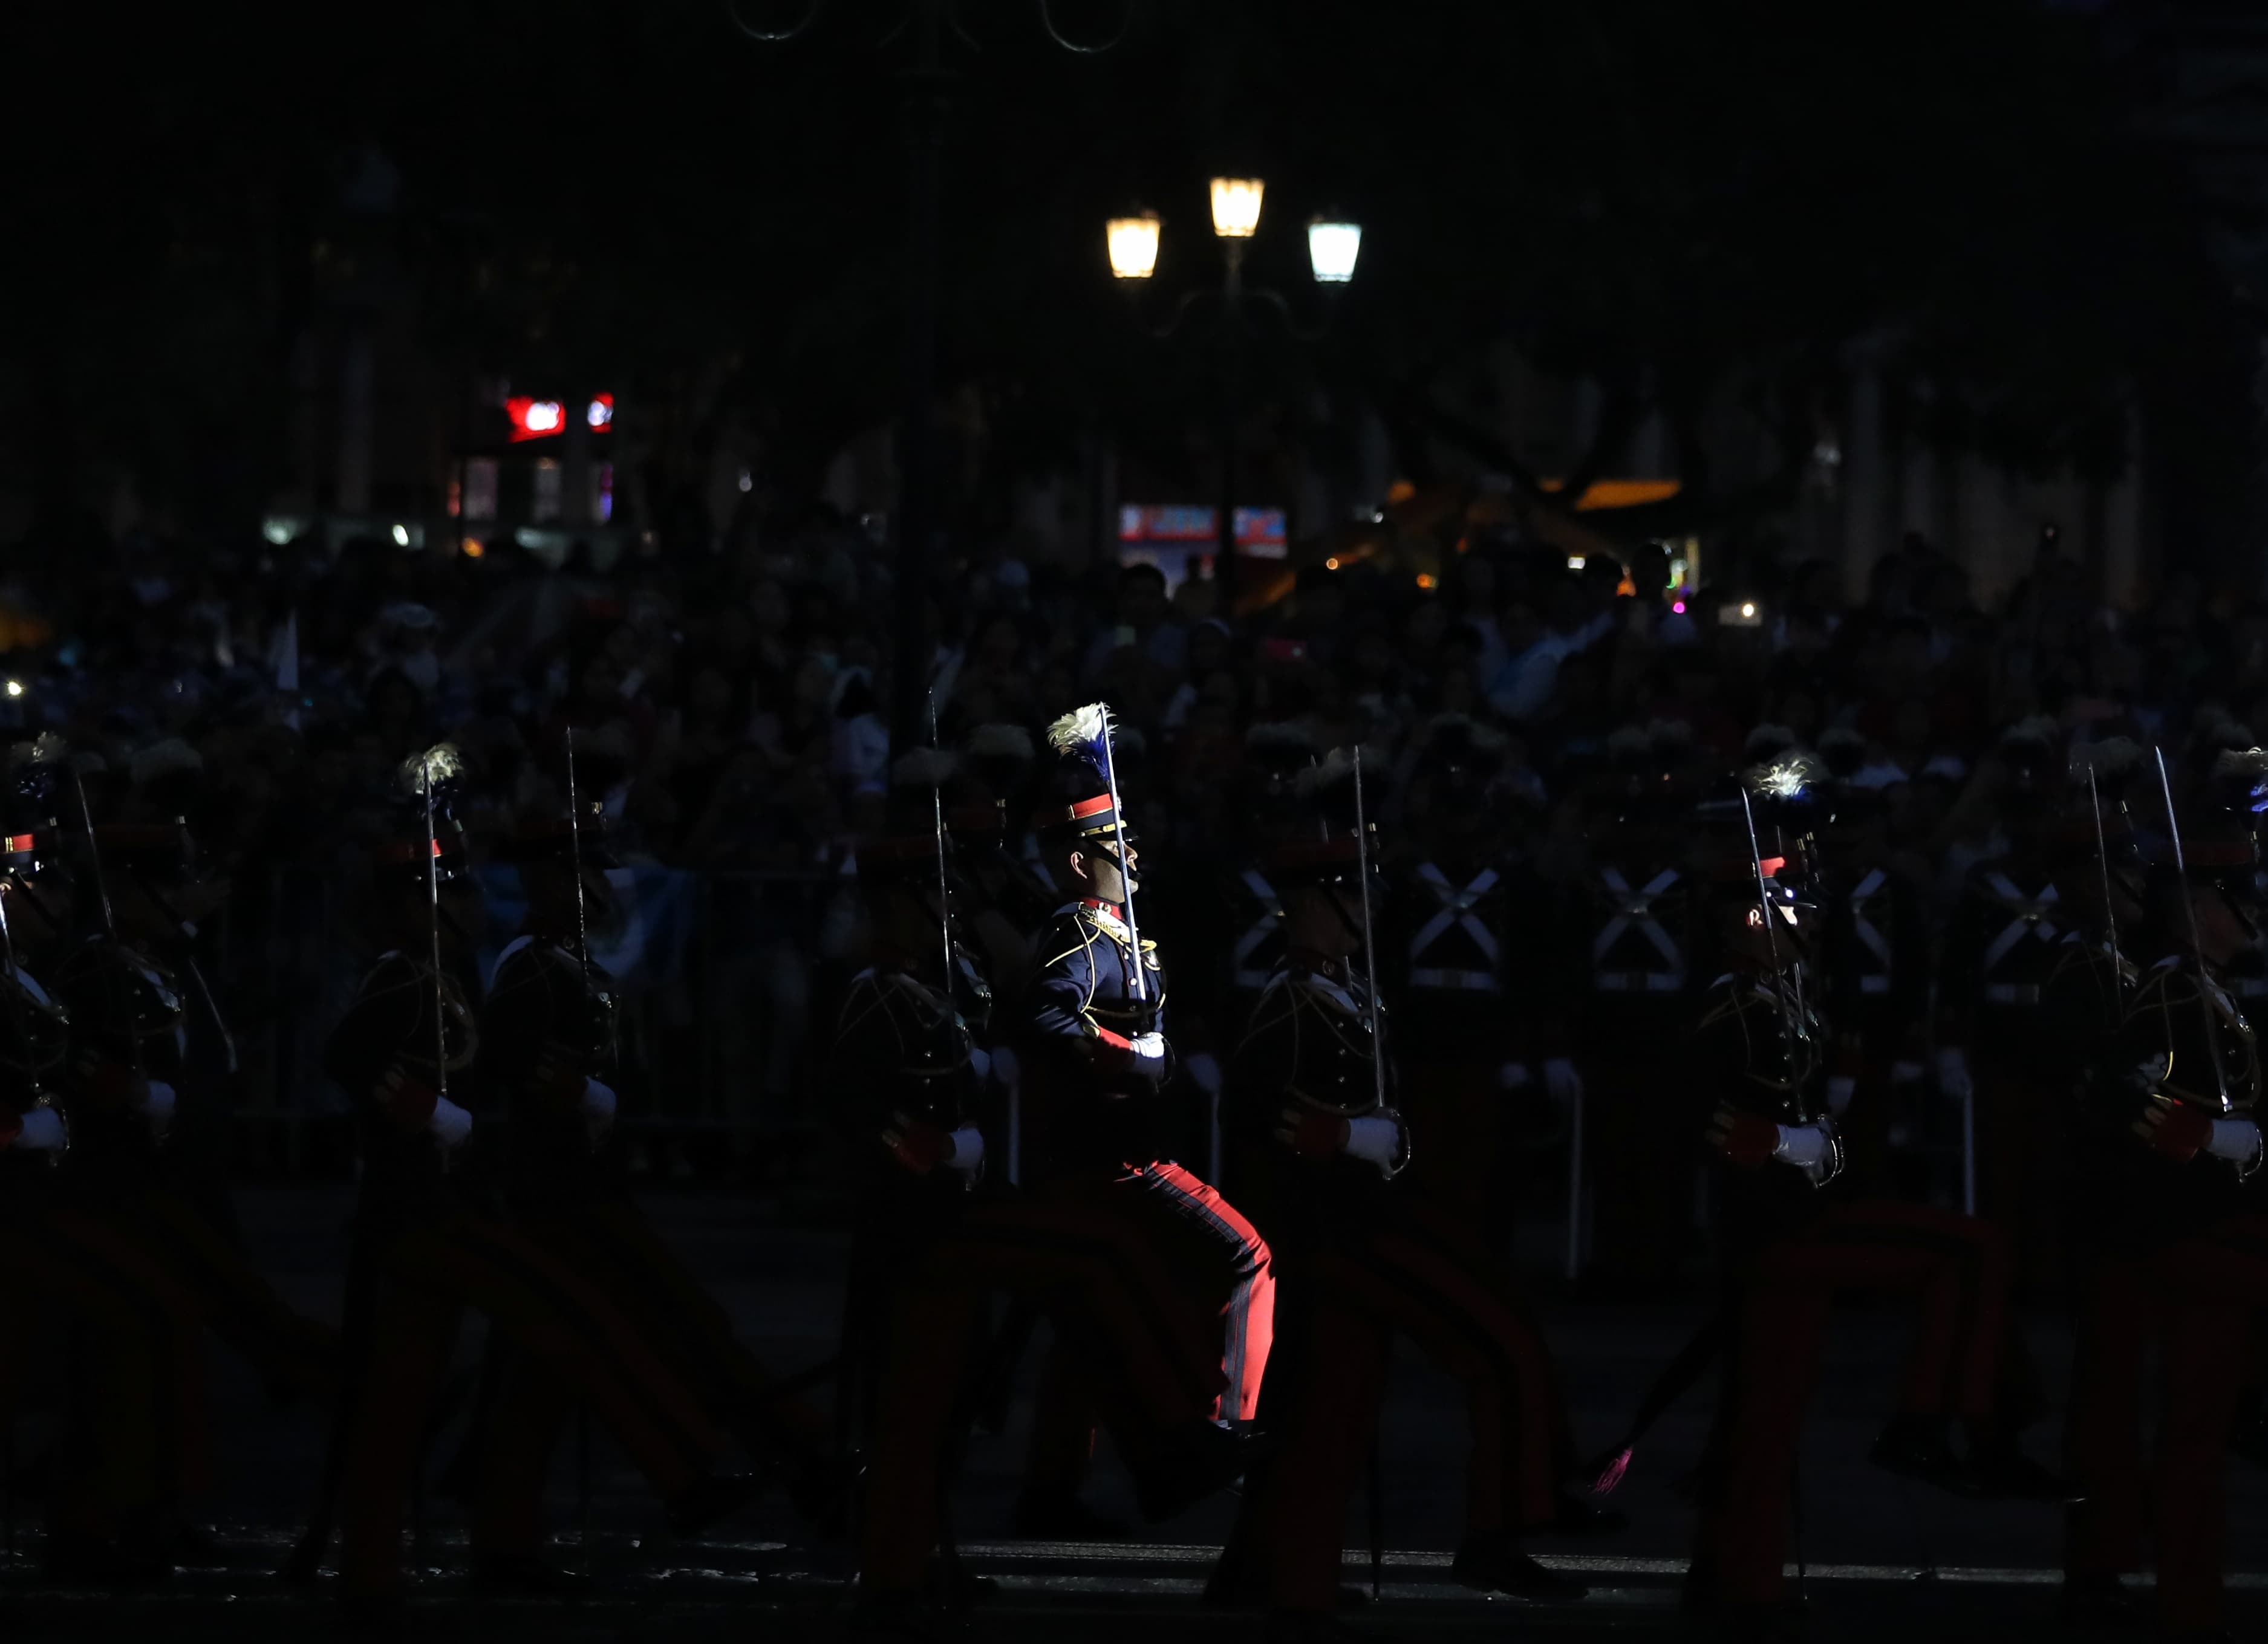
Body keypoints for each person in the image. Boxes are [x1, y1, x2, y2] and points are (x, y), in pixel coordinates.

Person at [315, 746, 749, 1610]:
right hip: (424, 1214)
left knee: (412, 1391)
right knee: (558, 1322)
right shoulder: (405, 975)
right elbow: (351, 1057)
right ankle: (680, 1473)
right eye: (457, 893)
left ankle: (416, 1559)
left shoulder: (449, 972)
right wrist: (430, 1114)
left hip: (448, 1207)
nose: (473, 906)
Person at [835, 782, 1250, 1617]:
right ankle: (1166, 1444)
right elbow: (879, 1130)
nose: (948, 906)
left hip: (960, 1212)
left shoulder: (940, 981)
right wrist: (959, 1146)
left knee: (946, 1391)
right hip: (920, 1226)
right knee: (935, 1386)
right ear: (895, 906)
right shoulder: (879, 995)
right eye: (932, 895)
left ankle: (920, 1560)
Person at [1216, 749, 1594, 1640]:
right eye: (1353, 893)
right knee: (1496, 1338)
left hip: (1361, 1220)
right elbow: (1259, 1120)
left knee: (1330, 1410)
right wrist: (1348, 1136)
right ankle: (1498, 1527)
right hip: (1334, 1234)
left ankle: (1283, 1573)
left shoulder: (1350, 995)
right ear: (1314, 902)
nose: (1371, 907)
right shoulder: (1290, 1003)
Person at [1682, 765, 2069, 1632]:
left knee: (1765, 1407)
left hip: (1796, 1216)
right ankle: (1930, 1422)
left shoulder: (1784, 1000)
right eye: (1780, 912)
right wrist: (1790, 1139)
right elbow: (1708, 1122)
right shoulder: (1732, 1006)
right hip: (1773, 1230)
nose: (1800, 922)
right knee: (1963, 1253)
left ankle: (1736, 1570)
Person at [468, 791, 832, 1586]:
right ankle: (724, 1467)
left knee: (565, 1359)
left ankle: (515, 1524)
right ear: (548, 877)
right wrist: (575, 1090)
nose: (595, 885)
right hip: (557, 1195)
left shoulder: (566, 958)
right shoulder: (532, 963)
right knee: (594, 1347)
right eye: (578, 870)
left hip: (585, 1187)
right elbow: (502, 1057)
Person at [1012, 704, 1275, 1431]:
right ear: (1077, 862)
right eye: (1115, 844)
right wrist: (1132, 1056)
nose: (1133, 855)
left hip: (1120, 1143)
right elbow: (1045, 1017)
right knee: (1246, 1254)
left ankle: (1057, 1484)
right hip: (1117, 1155)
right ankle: (1228, 1422)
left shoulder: (1117, 932)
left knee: (1093, 1316)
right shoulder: (1079, 931)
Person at [2061, 750, 2268, 1637]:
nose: (2253, 912)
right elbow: (2122, 1098)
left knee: (2198, 1419)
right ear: (2196, 911)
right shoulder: (2175, 990)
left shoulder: (2212, 991)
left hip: (2207, 1223)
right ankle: (2187, 1595)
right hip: (2184, 1230)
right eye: (2237, 898)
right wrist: (2208, 1135)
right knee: (2189, 1423)